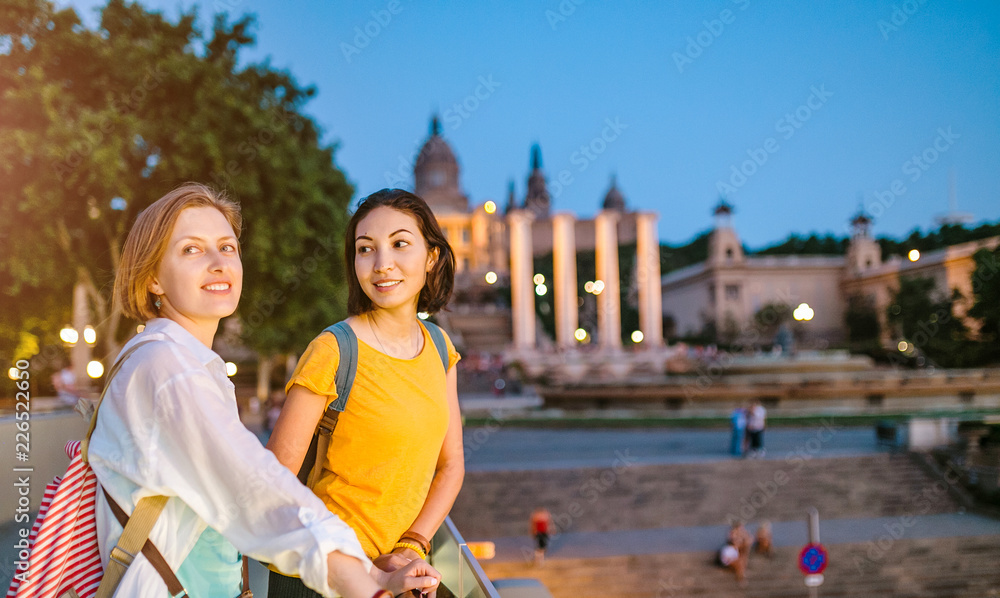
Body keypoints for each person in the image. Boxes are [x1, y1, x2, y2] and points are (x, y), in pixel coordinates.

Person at [89, 183, 439, 598]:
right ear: (153, 280)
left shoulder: (185, 363)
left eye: (227, 247)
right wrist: (366, 581)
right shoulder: (165, 371)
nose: (219, 263)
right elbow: (254, 488)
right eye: (191, 250)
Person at [267, 189, 464, 595]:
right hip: (318, 577)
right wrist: (361, 569)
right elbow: (273, 482)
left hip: (393, 577)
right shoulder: (334, 350)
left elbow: (451, 466)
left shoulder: (441, 349)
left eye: (400, 244)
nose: (382, 264)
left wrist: (412, 545)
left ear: (432, 257)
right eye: (365, 249)